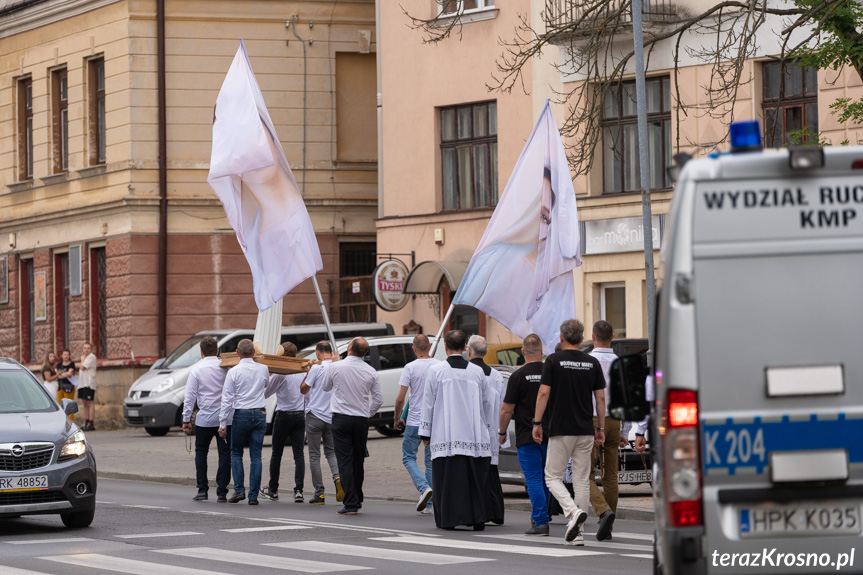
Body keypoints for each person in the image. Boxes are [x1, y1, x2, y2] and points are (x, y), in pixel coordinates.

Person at [533, 319, 606, 546]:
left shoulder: (553, 361)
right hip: (584, 429)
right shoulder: (592, 362)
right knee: (582, 480)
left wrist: (536, 422)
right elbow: (601, 398)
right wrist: (600, 428)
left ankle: (572, 512)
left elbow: (544, 394)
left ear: (561, 338)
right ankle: (579, 533)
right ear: (582, 337)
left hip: (561, 428)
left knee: (552, 476)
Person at [420, 330, 494, 531]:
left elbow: (428, 404)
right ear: (465, 349)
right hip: (473, 434)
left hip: (447, 433)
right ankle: (478, 518)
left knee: (448, 481)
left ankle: (449, 519)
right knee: (474, 480)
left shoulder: (437, 371)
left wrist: (425, 432)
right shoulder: (476, 372)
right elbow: (487, 402)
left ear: (445, 347)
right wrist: (485, 427)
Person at [323, 337, 383, 515]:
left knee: (345, 461)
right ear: (364, 353)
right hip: (360, 420)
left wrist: (333, 365)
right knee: (358, 460)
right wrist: (367, 413)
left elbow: (325, 387)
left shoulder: (336, 367)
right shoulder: (371, 370)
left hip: (341, 418)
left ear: (349, 348)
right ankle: (357, 496)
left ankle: (351, 503)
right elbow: (378, 399)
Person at [499, 334, 551, 536]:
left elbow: (506, 410)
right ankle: (543, 515)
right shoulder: (551, 373)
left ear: (522, 352)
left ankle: (540, 522)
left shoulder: (517, 376)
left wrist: (502, 432)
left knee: (534, 479)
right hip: (550, 434)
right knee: (548, 479)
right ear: (541, 351)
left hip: (526, 434)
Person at [588, 320, 629, 541]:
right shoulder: (620, 364)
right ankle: (609, 526)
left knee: (585, 474)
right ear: (612, 336)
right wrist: (626, 430)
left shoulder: (588, 361)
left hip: (593, 419)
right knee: (610, 475)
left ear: (593, 337)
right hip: (614, 420)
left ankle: (604, 511)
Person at [219, 338, 269, 505]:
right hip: (260, 413)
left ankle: (239, 490)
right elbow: (266, 386)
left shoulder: (233, 371)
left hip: (241, 414)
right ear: (254, 352)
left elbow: (227, 399)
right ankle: (253, 496)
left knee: (236, 453)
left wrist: (222, 423)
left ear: (237, 353)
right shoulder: (263, 368)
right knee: (256, 456)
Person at [393, 334, 439, 514]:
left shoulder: (410, 367)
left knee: (408, 457)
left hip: (413, 421)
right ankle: (429, 504)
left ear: (414, 348)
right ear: (429, 346)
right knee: (430, 461)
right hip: (433, 421)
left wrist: (397, 418)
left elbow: (400, 398)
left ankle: (423, 488)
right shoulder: (439, 365)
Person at [182, 336, 231, 502]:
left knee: (201, 452)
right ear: (217, 350)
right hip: (225, 418)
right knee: (225, 454)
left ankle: (202, 489)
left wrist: (186, 419)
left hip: (204, 419)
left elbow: (189, 396)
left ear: (201, 352)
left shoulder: (196, 369)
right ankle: (222, 491)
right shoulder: (226, 367)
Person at [466, 335, 506, 525]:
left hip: (473, 429)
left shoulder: (468, 373)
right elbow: (503, 403)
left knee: (474, 472)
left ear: (468, 351)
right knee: (491, 472)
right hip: (491, 428)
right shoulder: (496, 375)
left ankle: (477, 512)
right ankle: (495, 512)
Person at [261, 342, 306, 503]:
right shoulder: (302, 371)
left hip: (283, 415)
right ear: (295, 355)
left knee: (277, 453)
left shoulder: (281, 373)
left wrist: (270, 375)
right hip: (300, 415)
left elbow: (266, 393)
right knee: (299, 454)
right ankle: (299, 490)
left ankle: (273, 489)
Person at [300, 341, 342, 505]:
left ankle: (319, 493)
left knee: (314, 455)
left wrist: (308, 371)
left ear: (317, 353)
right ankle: (338, 478)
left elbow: (303, 389)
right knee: (331, 453)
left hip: (314, 415)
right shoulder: (338, 367)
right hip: (331, 416)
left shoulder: (316, 368)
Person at [77, 343, 98, 430]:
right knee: (85, 403)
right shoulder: (83, 357)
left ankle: (91, 422)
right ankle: (86, 421)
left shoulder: (91, 357)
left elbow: (82, 367)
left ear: (91, 349)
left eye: (88, 348)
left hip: (89, 383)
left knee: (90, 403)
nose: (86, 350)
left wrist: (82, 359)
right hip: (82, 383)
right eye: (85, 348)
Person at [56, 350, 77, 420]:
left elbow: (70, 373)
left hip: (69, 388)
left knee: (69, 406)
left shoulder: (71, 364)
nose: (66, 356)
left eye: (67, 355)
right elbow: (57, 375)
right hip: (60, 387)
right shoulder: (58, 365)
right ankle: (62, 421)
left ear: (69, 356)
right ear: (62, 356)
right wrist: (65, 374)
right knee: (60, 405)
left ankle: (70, 422)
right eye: (64, 354)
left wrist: (61, 374)